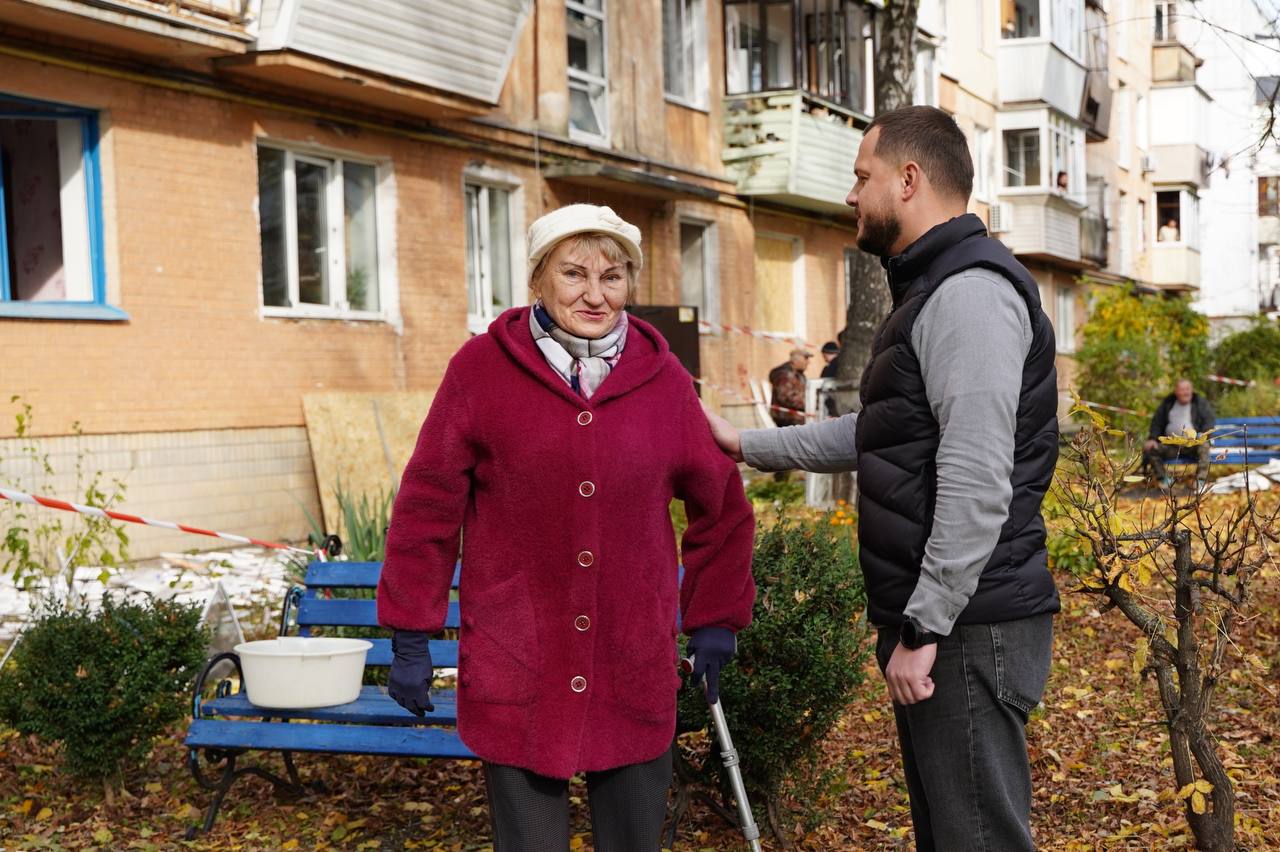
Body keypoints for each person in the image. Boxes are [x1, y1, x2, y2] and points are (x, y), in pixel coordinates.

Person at [702, 105, 1059, 852]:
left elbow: (976, 478)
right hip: (955, 618)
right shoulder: (933, 289)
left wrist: (924, 626)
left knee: (978, 840)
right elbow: (879, 435)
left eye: (861, 177)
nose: (850, 194)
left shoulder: (967, 294)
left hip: (967, 623)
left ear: (908, 179)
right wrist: (745, 444)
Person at [377, 204, 756, 852]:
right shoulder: (479, 371)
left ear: (631, 284)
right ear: (538, 280)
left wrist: (715, 619)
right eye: (574, 273)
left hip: (629, 657)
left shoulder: (662, 380)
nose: (594, 293)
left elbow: (721, 503)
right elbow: (428, 504)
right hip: (518, 657)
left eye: (612, 276)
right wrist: (411, 632)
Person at [1144, 378, 1215, 488]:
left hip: (1193, 444)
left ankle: (1200, 480)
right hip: (1172, 445)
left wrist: (1203, 434)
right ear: (1176, 391)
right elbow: (1157, 422)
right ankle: (1164, 479)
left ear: (1192, 390)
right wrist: (1152, 438)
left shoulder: (1199, 402)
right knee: (1152, 449)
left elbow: (1209, 420)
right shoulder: (1168, 403)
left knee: (1204, 445)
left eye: (1187, 389)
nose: (1185, 392)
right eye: (1182, 389)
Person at [768, 348, 811, 427]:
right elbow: (786, 398)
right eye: (805, 358)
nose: (808, 362)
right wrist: (810, 404)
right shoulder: (784, 375)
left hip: (797, 418)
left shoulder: (799, 374)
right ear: (795, 360)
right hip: (787, 418)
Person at [819, 341, 840, 417]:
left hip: (832, 405)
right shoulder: (843, 364)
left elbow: (822, 384)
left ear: (826, 353)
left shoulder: (829, 368)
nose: (824, 358)